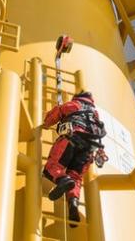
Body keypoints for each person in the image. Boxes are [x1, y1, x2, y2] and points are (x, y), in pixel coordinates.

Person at [42, 90, 108, 227]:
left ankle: (63, 180)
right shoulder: (95, 116)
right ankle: (73, 203)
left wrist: (46, 124)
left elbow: (53, 117)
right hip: (89, 149)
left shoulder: (74, 105)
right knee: (76, 178)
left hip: (72, 138)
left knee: (51, 168)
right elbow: (100, 136)